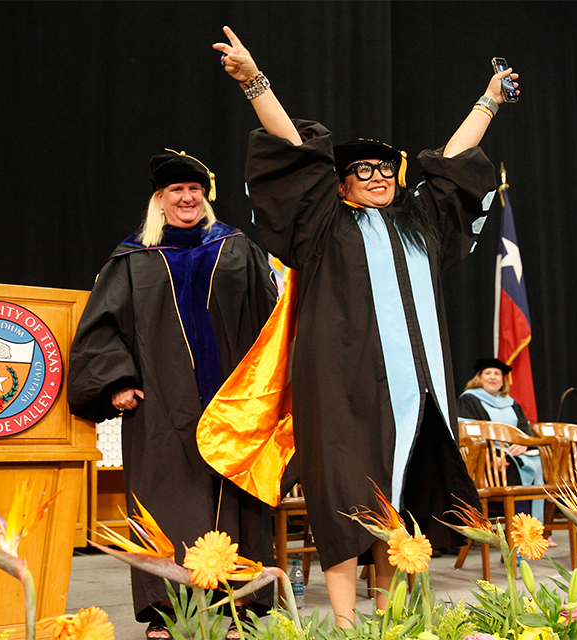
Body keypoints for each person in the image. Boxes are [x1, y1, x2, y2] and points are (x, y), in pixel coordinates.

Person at [212, 26, 513, 625]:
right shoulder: (325, 226)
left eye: (386, 169)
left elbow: (452, 163)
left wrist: (489, 101)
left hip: (416, 392)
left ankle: (395, 615)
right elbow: (292, 149)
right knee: (347, 496)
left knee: (402, 495)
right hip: (343, 387)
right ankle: (346, 626)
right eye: (363, 170)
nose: (378, 176)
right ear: (342, 184)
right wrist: (255, 83)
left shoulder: (420, 222)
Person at [67, 151, 277, 639]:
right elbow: (100, 327)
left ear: (205, 196)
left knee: (236, 501)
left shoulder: (236, 248)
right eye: (177, 191)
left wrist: (269, 385)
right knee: (163, 504)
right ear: (159, 200)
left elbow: (270, 316)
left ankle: (239, 612)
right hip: (162, 404)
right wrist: (117, 381)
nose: (188, 197)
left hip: (232, 403)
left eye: (195, 190)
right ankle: (164, 613)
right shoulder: (133, 257)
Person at [458, 358, 546, 522]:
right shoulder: (469, 399)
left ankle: (537, 528)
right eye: (488, 373)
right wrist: (491, 458)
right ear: (479, 377)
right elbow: (468, 436)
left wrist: (523, 444)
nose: (493, 377)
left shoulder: (511, 404)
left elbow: (524, 430)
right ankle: (521, 528)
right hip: (485, 459)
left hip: (512, 454)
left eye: (497, 374)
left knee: (538, 464)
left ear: (503, 380)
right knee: (514, 467)